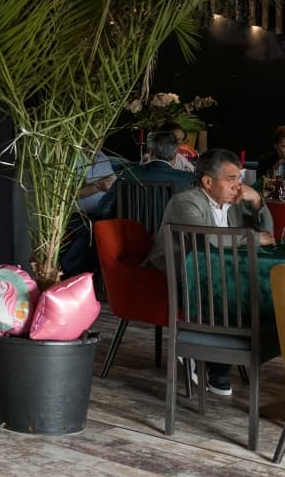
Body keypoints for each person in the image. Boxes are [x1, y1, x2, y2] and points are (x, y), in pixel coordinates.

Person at [145, 148, 274, 396]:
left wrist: (258, 202)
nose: (238, 186)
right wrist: (255, 238)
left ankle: (218, 357)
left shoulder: (234, 204)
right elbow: (209, 240)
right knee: (230, 294)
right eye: (231, 179)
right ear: (207, 182)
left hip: (220, 274)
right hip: (181, 275)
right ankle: (209, 361)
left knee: (259, 292)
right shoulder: (185, 201)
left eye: (239, 178)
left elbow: (269, 234)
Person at [96, 131, 195, 218]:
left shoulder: (127, 175)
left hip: (130, 232)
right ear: (175, 154)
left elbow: (103, 208)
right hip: (168, 233)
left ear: (151, 153)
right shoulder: (188, 179)